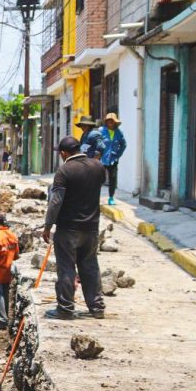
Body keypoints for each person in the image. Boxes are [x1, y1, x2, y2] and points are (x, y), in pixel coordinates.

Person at [42, 136, 106, 320]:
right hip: (91, 228)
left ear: (63, 153)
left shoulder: (64, 171)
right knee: (90, 267)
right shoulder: (98, 167)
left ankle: (65, 308)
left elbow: (56, 201)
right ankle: (97, 307)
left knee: (66, 268)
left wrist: (47, 226)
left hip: (68, 229)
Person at [100, 113, 127, 206]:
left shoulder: (118, 132)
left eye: (112, 121)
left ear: (115, 122)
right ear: (106, 122)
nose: (110, 122)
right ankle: (95, 197)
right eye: (109, 121)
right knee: (99, 179)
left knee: (113, 179)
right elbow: (96, 143)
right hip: (102, 159)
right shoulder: (101, 131)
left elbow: (123, 145)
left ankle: (111, 197)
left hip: (113, 160)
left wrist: (118, 155)